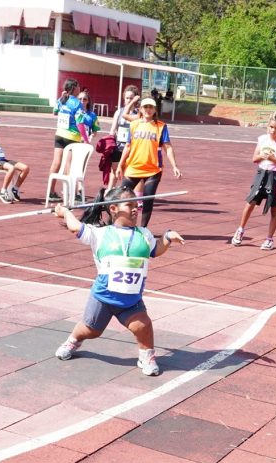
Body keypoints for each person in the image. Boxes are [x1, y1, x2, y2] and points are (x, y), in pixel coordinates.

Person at [53, 186, 185, 376]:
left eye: (136, 205)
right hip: (103, 298)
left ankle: (146, 355)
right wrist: (65, 212)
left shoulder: (144, 234)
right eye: (129, 204)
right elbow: (75, 227)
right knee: (90, 330)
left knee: (143, 326)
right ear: (113, 208)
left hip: (131, 299)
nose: (135, 209)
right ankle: (73, 340)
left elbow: (156, 251)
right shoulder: (99, 234)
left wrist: (167, 237)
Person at [231, 112, 276, 250]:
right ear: (267, 127)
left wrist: (275, 160)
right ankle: (240, 230)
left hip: (275, 176)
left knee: (275, 208)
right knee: (251, 202)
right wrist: (262, 155)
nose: (273, 130)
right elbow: (254, 158)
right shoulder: (262, 139)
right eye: (271, 127)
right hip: (261, 174)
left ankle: (269, 239)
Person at [117, 97, 181, 228]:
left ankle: (143, 228)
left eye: (151, 107)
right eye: (145, 107)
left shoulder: (161, 126)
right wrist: (120, 165)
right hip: (133, 167)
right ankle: (119, 224)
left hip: (153, 170)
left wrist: (174, 166)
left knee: (147, 198)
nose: (148, 110)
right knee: (122, 196)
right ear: (140, 109)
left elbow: (168, 147)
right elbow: (128, 146)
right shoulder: (134, 124)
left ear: (155, 109)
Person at [49, 78, 90, 202]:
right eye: (78, 86)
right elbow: (79, 122)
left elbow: (54, 112)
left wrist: (61, 99)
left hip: (59, 134)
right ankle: (68, 193)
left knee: (56, 163)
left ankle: (51, 191)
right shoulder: (77, 103)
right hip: (71, 137)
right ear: (74, 88)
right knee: (69, 165)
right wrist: (85, 138)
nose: (80, 88)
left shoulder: (62, 100)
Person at [0, 116, 31, 204]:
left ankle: (15, 189)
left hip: (3, 159)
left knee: (25, 168)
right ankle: (2, 192)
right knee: (11, 168)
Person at [107, 85, 140, 190]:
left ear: (136, 99)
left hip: (131, 147)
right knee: (114, 169)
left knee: (128, 171)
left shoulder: (138, 114)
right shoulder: (119, 112)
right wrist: (110, 143)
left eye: (131, 98)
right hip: (118, 145)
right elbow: (113, 129)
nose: (128, 100)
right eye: (127, 98)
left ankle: (127, 192)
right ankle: (109, 190)